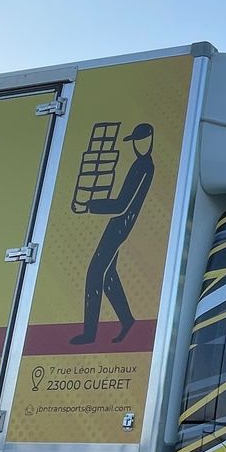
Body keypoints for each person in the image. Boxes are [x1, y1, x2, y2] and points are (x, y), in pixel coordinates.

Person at [70, 123, 156, 345]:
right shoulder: (140, 164)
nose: (139, 145)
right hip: (119, 223)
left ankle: (90, 334)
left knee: (94, 273)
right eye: (136, 141)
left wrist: (90, 205)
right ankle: (127, 320)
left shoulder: (144, 167)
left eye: (142, 140)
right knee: (108, 275)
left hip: (121, 225)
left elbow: (122, 205)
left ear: (149, 140)